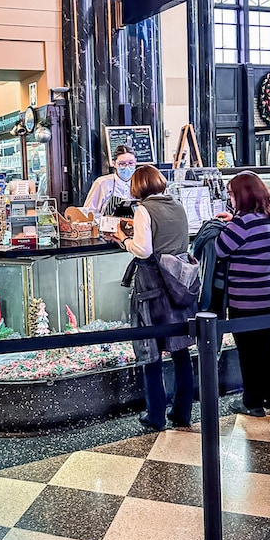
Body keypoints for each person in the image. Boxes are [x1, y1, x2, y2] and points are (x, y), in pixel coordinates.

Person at [113, 165, 197, 431]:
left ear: (138, 187)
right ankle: (182, 412)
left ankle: (156, 416)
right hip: (180, 283)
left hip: (153, 289)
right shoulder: (178, 205)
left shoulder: (143, 210)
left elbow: (143, 250)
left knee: (151, 353)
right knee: (181, 351)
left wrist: (122, 239)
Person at [215, 171, 270, 417]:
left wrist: (228, 224)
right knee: (266, 348)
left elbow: (220, 249)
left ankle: (252, 402)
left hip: (246, 299)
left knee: (248, 351)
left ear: (241, 195)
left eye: (231, 193)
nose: (230, 198)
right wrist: (233, 220)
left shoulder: (242, 223)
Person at [83, 144, 136, 215]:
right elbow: (88, 212)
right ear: (114, 164)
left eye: (131, 163)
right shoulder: (102, 183)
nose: (127, 167)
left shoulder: (140, 183)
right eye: (122, 164)